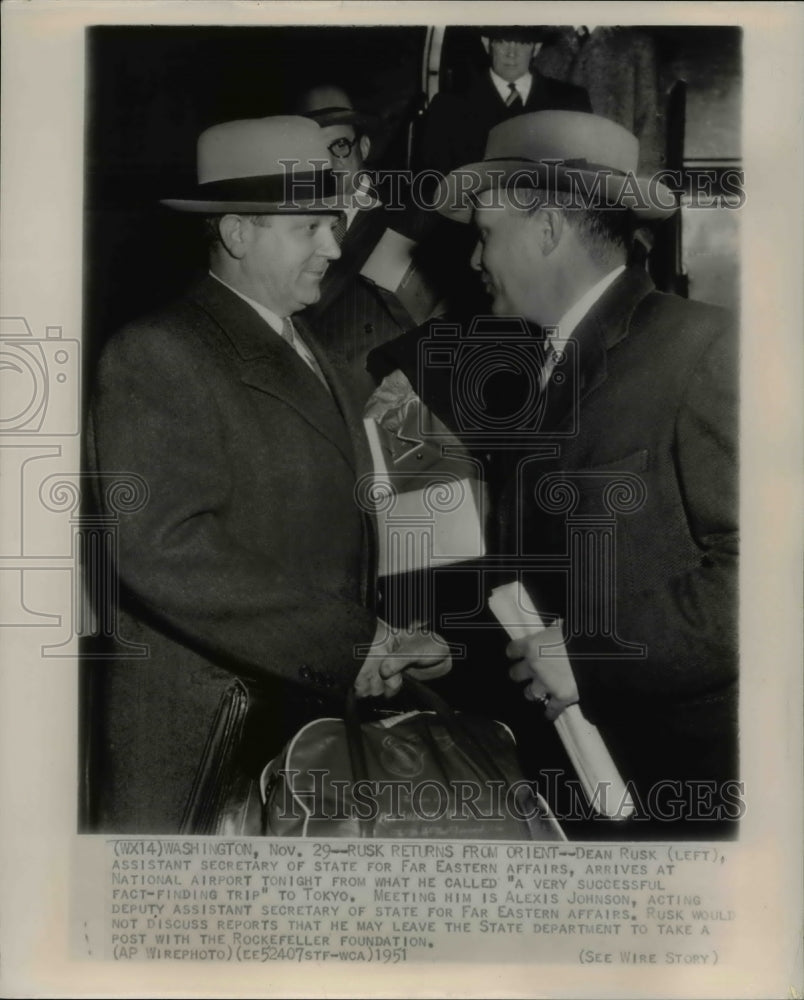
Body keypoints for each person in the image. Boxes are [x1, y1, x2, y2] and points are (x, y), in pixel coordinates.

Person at [84, 116, 450, 834]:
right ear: (236, 233)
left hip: (299, 730)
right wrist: (351, 643)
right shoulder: (158, 352)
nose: (333, 246)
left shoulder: (321, 356)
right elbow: (161, 547)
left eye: (332, 223)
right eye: (309, 227)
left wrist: (387, 638)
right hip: (211, 746)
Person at [435, 111, 738, 833]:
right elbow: (544, 587)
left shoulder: (703, 349)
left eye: (485, 236)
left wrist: (590, 658)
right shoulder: (541, 366)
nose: (475, 262)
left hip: (680, 797)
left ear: (545, 230)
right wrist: (450, 656)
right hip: (581, 791)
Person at [294, 85, 440, 408]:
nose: (329, 163)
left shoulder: (412, 215)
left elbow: (445, 322)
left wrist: (404, 384)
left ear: (365, 146)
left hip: (385, 406)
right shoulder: (288, 228)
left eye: (340, 146)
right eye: (315, 150)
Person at [417, 26, 591, 176]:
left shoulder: (571, 103)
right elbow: (433, 187)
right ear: (487, 44)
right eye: (502, 41)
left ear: (536, 48)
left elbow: (582, 182)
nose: (511, 53)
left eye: (522, 43)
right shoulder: (448, 108)